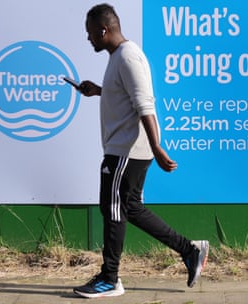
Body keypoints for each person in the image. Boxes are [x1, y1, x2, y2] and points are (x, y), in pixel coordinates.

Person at [72, 3, 209, 298]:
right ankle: (190, 250)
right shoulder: (118, 57)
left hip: (125, 151)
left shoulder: (128, 56)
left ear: (103, 30)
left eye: (90, 33)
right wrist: (98, 90)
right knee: (128, 208)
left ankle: (110, 279)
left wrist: (157, 146)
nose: (88, 39)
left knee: (112, 209)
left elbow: (145, 104)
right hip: (126, 149)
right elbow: (126, 95)